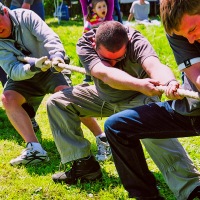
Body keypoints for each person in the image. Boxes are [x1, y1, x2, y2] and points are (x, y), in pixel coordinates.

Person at [46, 21, 200, 198]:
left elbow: (153, 65)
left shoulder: (135, 40)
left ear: (126, 43)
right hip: (105, 95)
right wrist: (138, 83)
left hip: (138, 97)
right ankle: (84, 166)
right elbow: (106, 74)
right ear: (95, 44)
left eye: (118, 59)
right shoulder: (85, 43)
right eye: (107, 59)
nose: (113, 63)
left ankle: (190, 186)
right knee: (58, 102)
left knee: (151, 128)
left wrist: (169, 82)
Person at [103, 1, 200, 199]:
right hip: (192, 110)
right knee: (116, 126)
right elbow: (197, 76)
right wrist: (171, 82)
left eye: (193, 29)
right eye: (184, 35)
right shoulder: (177, 30)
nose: (190, 40)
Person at [0, 3, 107, 166]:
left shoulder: (26, 17)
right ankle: (35, 149)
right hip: (25, 72)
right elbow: (13, 70)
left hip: (51, 65)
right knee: (8, 98)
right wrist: (33, 67)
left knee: (65, 95)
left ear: (5, 12)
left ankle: (103, 139)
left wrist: (57, 55)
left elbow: (48, 37)